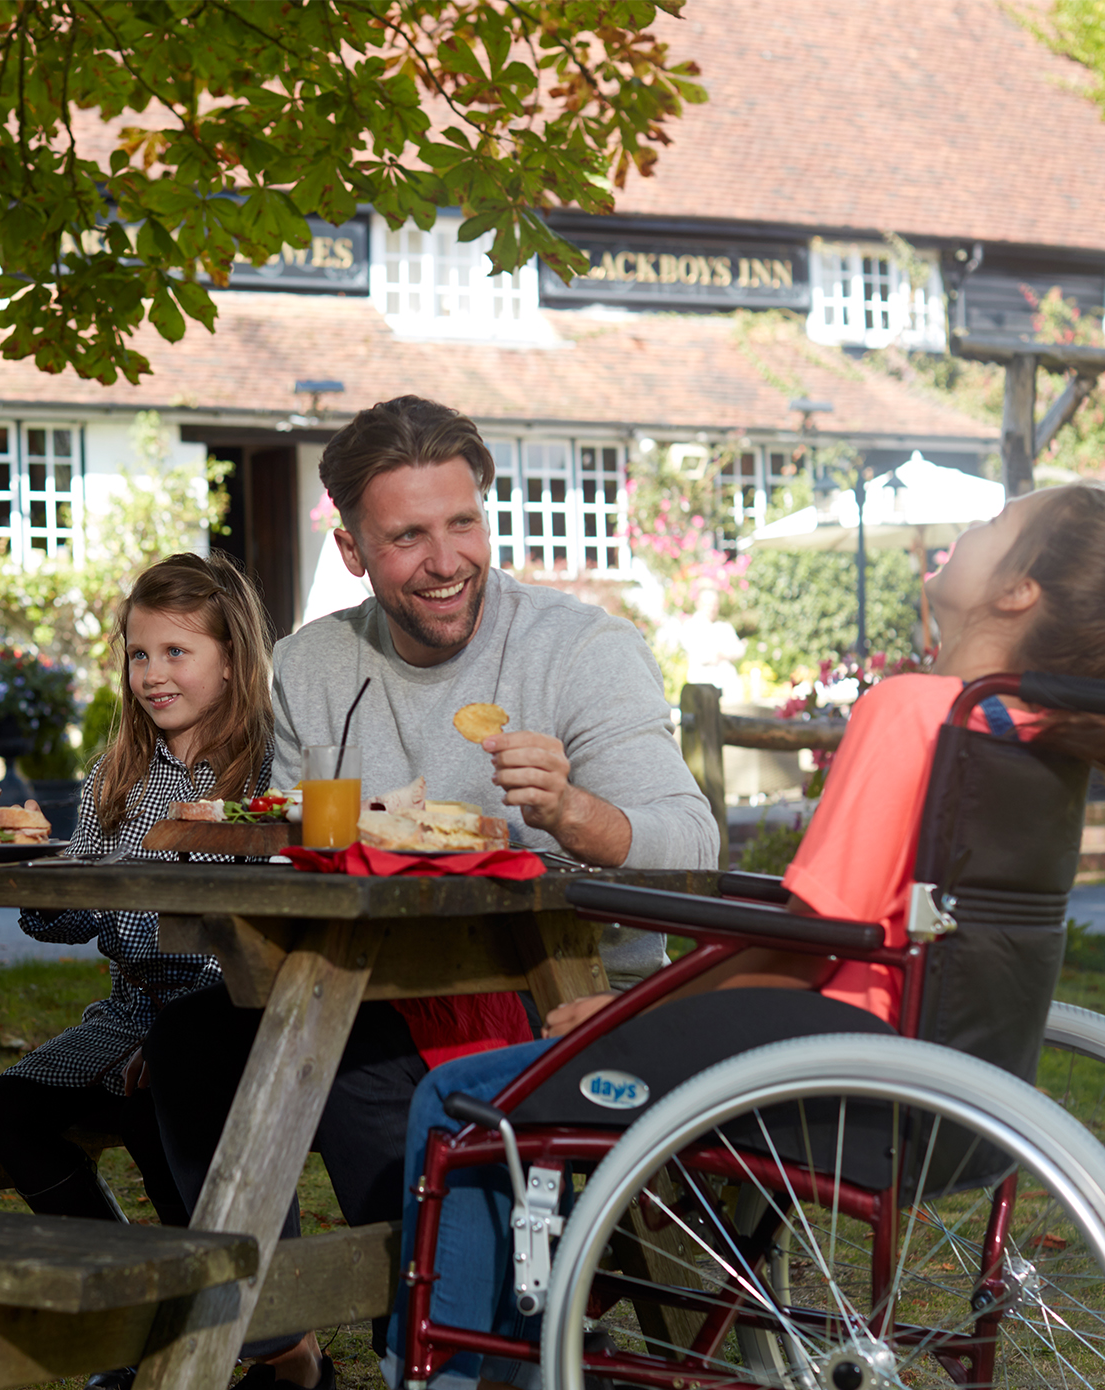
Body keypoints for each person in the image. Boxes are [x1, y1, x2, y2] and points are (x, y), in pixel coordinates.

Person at [388, 481, 1105, 1389]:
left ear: (1016, 590)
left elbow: (815, 936)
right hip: (946, 1084)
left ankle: (447, 1375)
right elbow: (843, 924)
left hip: (824, 1066)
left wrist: (620, 1013)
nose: (966, 527)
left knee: (462, 1101)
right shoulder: (1024, 732)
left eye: (993, 524)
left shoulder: (916, 709)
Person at [143, 397, 719, 1390]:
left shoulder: (582, 649)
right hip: (364, 984)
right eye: (408, 536)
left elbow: (690, 847)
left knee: (365, 1062)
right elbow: (291, 843)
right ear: (356, 549)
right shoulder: (318, 664)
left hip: (550, 998)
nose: (447, 558)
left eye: (463, 522)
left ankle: (440, 1339)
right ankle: (272, 1336)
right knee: (192, 1044)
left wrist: (582, 814)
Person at [0, 552, 274, 1389]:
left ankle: (246, 1348)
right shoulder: (122, 772)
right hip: (129, 1012)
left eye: (176, 653)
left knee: (154, 1106)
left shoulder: (263, 778)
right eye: (139, 655)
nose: (151, 675)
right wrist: (37, 863)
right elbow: (79, 916)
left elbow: (262, 925)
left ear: (231, 658)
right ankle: (136, 1320)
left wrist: (187, 1024)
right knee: (11, 1112)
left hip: (228, 1012)